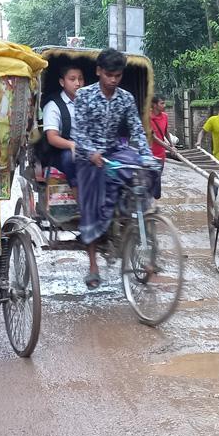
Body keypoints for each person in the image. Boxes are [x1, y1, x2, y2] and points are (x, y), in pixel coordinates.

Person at [72, 48, 158, 289]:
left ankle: (138, 230)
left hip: (113, 150)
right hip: (88, 156)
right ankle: (92, 265)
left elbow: (137, 130)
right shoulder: (84, 96)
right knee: (92, 200)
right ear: (99, 71)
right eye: (109, 75)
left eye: (118, 76)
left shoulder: (125, 98)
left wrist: (147, 155)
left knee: (141, 171)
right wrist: (91, 152)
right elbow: (78, 132)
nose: (113, 80)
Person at [38, 65, 84, 184]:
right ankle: (79, 195)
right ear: (62, 82)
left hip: (86, 148)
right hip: (61, 152)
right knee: (70, 158)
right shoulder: (54, 106)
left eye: (80, 79)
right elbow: (52, 138)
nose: (78, 83)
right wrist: (72, 145)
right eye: (72, 79)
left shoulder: (89, 101)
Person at [149, 94, 171, 200]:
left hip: (161, 155)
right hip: (149, 154)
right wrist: (169, 148)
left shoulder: (165, 116)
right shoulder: (148, 117)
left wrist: (171, 144)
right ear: (154, 105)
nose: (164, 105)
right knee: (150, 179)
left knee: (157, 179)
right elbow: (153, 137)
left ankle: (153, 202)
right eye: (162, 103)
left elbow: (166, 132)